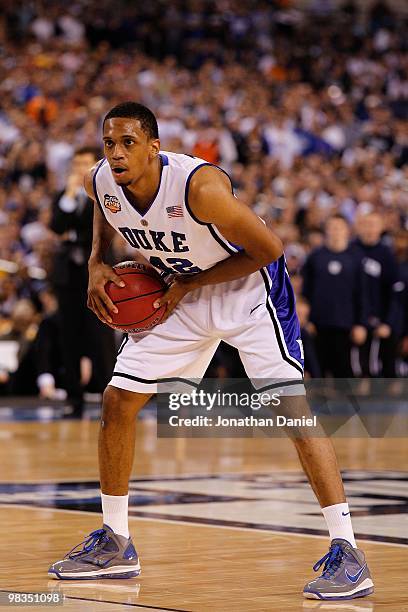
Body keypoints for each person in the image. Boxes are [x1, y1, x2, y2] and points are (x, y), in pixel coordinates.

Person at [48, 102, 374, 600]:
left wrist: (187, 285)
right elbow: (102, 202)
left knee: (293, 414)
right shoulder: (101, 179)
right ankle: (116, 541)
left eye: (128, 143)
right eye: (109, 143)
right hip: (183, 288)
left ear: (154, 147)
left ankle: (348, 550)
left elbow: (269, 249)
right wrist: (96, 260)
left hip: (248, 291)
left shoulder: (199, 189)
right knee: (117, 402)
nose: (116, 153)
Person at [50, 146, 116, 414]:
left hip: (96, 272)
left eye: (84, 164)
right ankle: (73, 399)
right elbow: (56, 225)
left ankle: (109, 398)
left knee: (100, 336)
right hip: (68, 277)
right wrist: (68, 194)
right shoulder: (65, 195)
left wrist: (71, 233)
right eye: (76, 164)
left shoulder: (105, 193)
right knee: (69, 337)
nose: (79, 169)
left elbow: (95, 230)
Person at [301, 215, 366, 377]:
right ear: (326, 231)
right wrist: (306, 320)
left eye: (339, 227)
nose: (335, 231)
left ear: (347, 231)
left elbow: (362, 294)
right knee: (318, 371)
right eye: (332, 227)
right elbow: (306, 291)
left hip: (346, 326)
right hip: (317, 325)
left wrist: (361, 323)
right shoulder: (315, 257)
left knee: (344, 373)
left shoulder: (356, 258)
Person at [352, 212, 402, 377]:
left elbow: (394, 292)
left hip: (381, 324)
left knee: (383, 370)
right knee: (357, 370)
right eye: (366, 224)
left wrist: (388, 322)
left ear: (381, 228)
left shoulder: (386, 254)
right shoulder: (351, 250)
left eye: (374, 225)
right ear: (359, 226)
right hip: (354, 322)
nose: (369, 229)